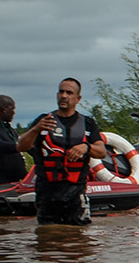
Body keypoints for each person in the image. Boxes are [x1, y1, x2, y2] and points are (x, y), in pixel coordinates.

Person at [15, 78, 106, 226]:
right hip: (47, 192)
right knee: (48, 238)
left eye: (69, 93)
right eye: (61, 92)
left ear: (78, 98)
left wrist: (87, 147)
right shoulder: (44, 120)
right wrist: (36, 129)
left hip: (76, 191)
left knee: (79, 240)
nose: (63, 96)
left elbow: (102, 152)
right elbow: (21, 147)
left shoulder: (88, 124)